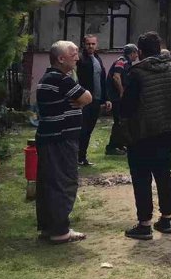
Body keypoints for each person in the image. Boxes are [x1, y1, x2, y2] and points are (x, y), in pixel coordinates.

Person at [120, 32, 171, 241]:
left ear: (139, 52)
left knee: (141, 177)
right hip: (167, 131)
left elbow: (127, 106)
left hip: (141, 133)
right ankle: (166, 219)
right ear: (159, 49)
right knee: (163, 173)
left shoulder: (136, 73)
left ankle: (144, 223)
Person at [36, 40, 92, 244]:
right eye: (73, 54)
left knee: (48, 183)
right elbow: (87, 97)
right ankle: (60, 231)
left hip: (49, 138)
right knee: (64, 182)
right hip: (61, 139)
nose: (77, 57)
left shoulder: (48, 78)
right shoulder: (61, 79)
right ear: (61, 58)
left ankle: (49, 227)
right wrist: (79, 103)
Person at [75, 35, 111, 166]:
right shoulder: (80, 59)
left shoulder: (97, 59)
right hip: (84, 100)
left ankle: (82, 157)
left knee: (89, 130)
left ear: (97, 45)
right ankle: (77, 156)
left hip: (96, 100)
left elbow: (102, 80)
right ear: (84, 44)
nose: (91, 46)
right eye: (88, 44)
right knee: (82, 129)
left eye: (93, 44)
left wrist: (106, 99)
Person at [105, 44, 139, 156]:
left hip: (118, 97)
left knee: (122, 121)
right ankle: (112, 147)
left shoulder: (127, 63)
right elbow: (116, 76)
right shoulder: (122, 61)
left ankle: (119, 144)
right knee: (119, 122)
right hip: (116, 97)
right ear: (132, 53)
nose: (137, 56)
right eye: (136, 53)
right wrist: (121, 92)